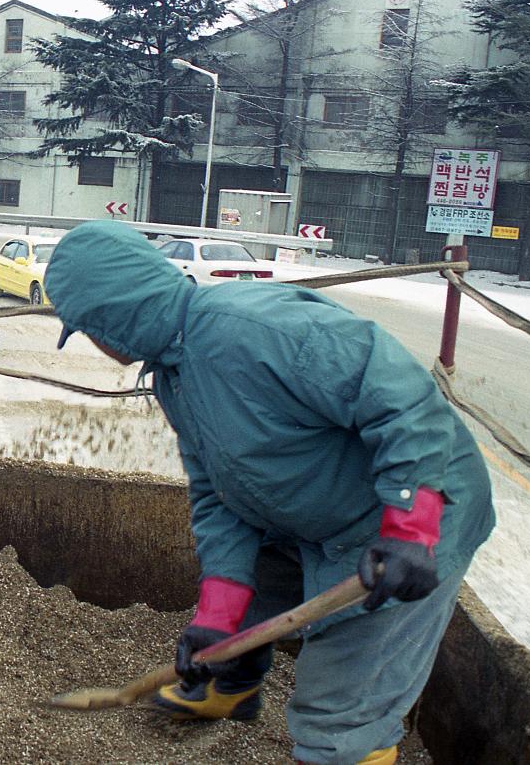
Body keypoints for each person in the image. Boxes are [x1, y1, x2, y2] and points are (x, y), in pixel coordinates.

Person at [44, 221, 494, 765]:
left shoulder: (256, 329)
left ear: (115, 315)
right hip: (310, 522)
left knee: (341, 707)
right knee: (246, 601)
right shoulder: (174, 374)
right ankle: (228, 684)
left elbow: (406, 402)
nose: (96, 344)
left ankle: (347, 752)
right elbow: (217, 497)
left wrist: (411, 527)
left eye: (89, 329)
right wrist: (218, 615)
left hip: (406, 522)